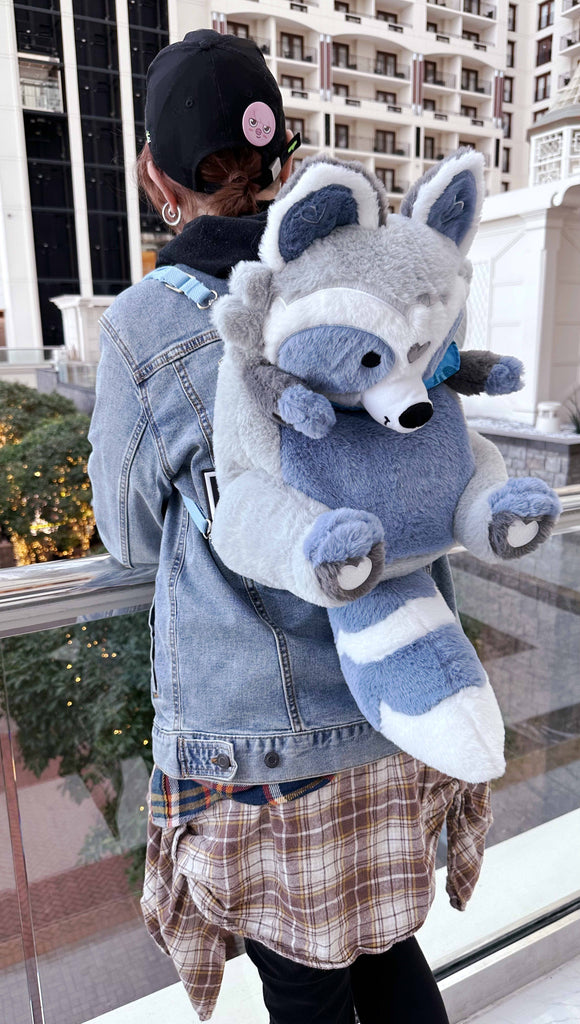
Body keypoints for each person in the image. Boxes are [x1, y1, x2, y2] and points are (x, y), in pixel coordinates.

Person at [88, 30, 492, 1024]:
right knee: (391, 958)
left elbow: (129, 536)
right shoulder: (376, 272)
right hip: (399, 705)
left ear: (156, 176)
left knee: (307, 994)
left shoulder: (146, 323)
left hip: (264, 754)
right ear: (284, 156)